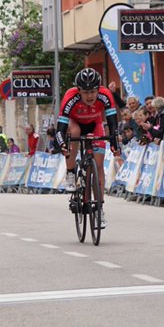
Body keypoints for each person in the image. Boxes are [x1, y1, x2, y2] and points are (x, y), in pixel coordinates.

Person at [56, 68, 121, 228]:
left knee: (98, 165)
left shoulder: (105, 95)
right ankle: (70, 172)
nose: (90, 96)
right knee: (75, 132)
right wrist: (62, 144)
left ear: (98, 89)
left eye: (92, 91)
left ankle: (99, 209)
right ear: (78, 90)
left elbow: (113, 123)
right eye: (85, 92)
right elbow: (60, 129)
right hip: (74, 123)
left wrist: (114, 143)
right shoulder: (70, 97)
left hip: (94, 124)